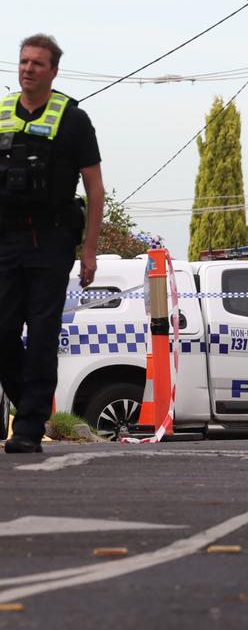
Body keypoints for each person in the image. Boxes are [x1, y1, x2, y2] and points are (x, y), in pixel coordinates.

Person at [0, 34, 104, 454]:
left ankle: (28, 424)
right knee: (3, 329)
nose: (28, 69)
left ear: (54, 71)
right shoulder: (3, 114)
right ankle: (29, 401)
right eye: (23, 62)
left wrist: (90, 250)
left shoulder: (74, 120)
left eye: (37, 63)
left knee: (42, 331)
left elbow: (95, 188)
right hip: (6, 236)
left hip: (52, 238)